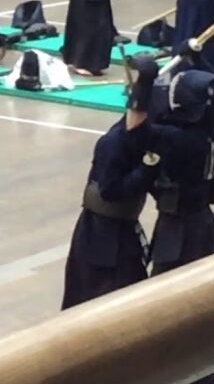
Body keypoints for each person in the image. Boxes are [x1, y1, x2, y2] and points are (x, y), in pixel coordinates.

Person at [145, 69, 214, 384]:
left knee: (178, 299)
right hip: (200, 223)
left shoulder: (183, 139)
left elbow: (140, 130)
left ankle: (200, 380)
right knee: (192, 296)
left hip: (181, 225)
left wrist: (142, 90)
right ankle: (179, 370)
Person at [61, 66, 160, 310]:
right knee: (96, 296)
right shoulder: (113, 143)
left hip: (124, 229)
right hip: (100, 235)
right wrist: (148, 170)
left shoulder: (144, 137)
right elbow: (109, 191)